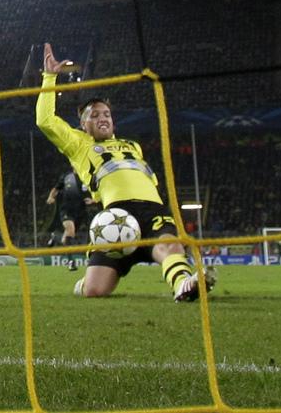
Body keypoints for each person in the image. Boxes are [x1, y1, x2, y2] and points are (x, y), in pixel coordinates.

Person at [36, 42, 216, 301]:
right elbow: (45, 120)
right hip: (115, 218)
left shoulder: (134, 146)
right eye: (94, 115)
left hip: (152, 209)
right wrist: (50, 77)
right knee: (95, 291)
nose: (103, 118)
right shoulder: (79, 145)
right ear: (82, 124)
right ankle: (86, 283)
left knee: (169, 245)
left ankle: (183, 284)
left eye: (107, 114)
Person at [45, 169, 94, 271]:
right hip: (66, 210)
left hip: (80, 211)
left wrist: (93, 200)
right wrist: (51, 197)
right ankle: (71, 262)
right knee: (70, 231)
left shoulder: (86, 176)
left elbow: (96, 190)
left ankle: (55, 237)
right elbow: (56, 188)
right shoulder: (66, 176)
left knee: (67, 238)